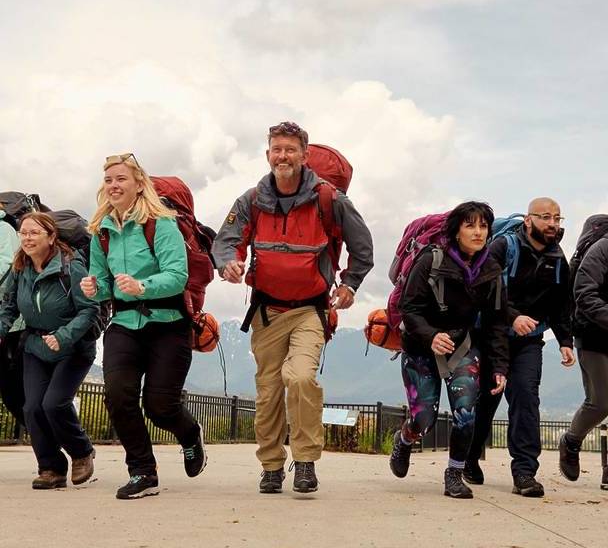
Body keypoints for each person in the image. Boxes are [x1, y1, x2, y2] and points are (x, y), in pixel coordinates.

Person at [212, 121, 373, 495]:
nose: (282, 156)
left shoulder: (328, 199)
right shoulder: (251, 200)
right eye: (276, 149)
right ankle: (271, 466)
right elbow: (226, 241)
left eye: (290, 149)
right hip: (267, 312)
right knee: (268, 390)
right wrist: (229, 263)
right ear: (268, 154)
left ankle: (304, 461)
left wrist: (349, 284)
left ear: (304, 155)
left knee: (300, 378)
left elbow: (362, 246)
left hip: (309, 311)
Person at [80, 153, 207, 500]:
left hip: (168, 324)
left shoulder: (160, 224)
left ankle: (189, 434)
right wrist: (95, 288)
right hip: (123, 323)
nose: (114, 185)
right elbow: (104, 283)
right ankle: (142, 472)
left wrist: (143, 287)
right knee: (118, 396)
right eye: (108, 180)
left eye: (121, 179)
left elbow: (178, 276)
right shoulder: (101, 232)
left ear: (138, 185)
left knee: (159, 407)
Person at [389, 201, 508, 498]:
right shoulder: (431, 260)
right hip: (420, 347)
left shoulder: (491, 270)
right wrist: (430, 336)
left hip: (461, 347)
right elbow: (409, 307)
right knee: (423, 420)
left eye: (483, 226)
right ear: (456, 231)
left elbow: (495, 322)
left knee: (467, 413)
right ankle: (404, 440)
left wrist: (500, 367)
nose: (478, 232)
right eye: (470, 225)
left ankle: (454, 474)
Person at [466, 198, 575, 497]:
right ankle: (470, 457)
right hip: (491, 336)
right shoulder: (504, 248)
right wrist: (513, 318)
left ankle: (524, 473)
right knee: (486, 403)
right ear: (528, 221)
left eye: (557, 217)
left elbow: (561, 303)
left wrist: (566, 340)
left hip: (529, 341)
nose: (552, 224)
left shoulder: (556, 258)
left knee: (526, 398)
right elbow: (486, 290)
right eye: (545, 217)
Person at [0, 212, 98, 489]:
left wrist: (64, 336)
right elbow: (8, 308)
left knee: (54, 404)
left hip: (74, 348)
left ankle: (81, 452)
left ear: (51, 237)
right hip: (35, 347)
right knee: (31, 407)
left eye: (34, 233)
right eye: (23, 233)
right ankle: (51, 468)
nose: (27, 239)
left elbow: (89, 309)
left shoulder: (72, 267)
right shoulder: (21, 269)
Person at [559, 234, 608, 489]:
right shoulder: (602, 249)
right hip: (594, 337)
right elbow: (584, 293)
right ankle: (571, 441)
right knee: (600, 402)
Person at [0, 202, 26, 434]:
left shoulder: (4, 229)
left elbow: (8, 264)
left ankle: (53, 434)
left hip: (11, 324)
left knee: (13, 390)